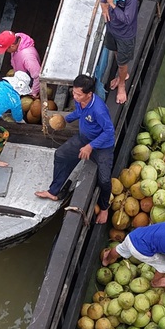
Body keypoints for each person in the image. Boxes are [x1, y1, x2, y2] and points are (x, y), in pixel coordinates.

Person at [35, 74, 115, 223]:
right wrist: (65, 119)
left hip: (102, 146)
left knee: (104, 180)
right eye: (74, 93)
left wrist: (91, 146)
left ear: (89, 94)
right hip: (83, 138)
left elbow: (109, 132)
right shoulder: (81, 102)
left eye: (78, 94)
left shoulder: (98, 110)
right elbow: (79, 112)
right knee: (60, 155)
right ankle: (54, 191)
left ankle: (104, 208)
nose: (75, 96)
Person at [98, 0, 139, 104]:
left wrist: (111, 4)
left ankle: (122, 85)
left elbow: (128, 19)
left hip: (125, 35)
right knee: (116, 52)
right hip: (112, 29)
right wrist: (104, 6)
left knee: (122, 63)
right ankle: (122, 74)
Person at [0, 30, 42, 98]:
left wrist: (34, 92)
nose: (6, 52)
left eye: (6, 49)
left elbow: (37, 76)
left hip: (29, 82)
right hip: (21, 75)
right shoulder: (16, 39)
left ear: (12, 46)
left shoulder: (27, 57)